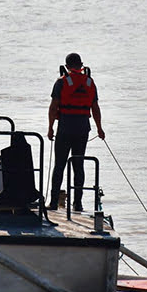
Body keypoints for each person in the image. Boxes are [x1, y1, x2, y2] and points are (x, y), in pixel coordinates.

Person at [47, 53, 105, 211]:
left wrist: (50, 127)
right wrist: (99, 128)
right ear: (81, 65)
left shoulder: (61, 82)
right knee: (78, 165)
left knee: (59, 164)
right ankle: (77, 203)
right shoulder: (89, 82)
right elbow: (95, 108)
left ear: (66, 66)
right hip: (82, 127)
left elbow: (53, 107)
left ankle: (53, 203)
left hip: (65, 126)